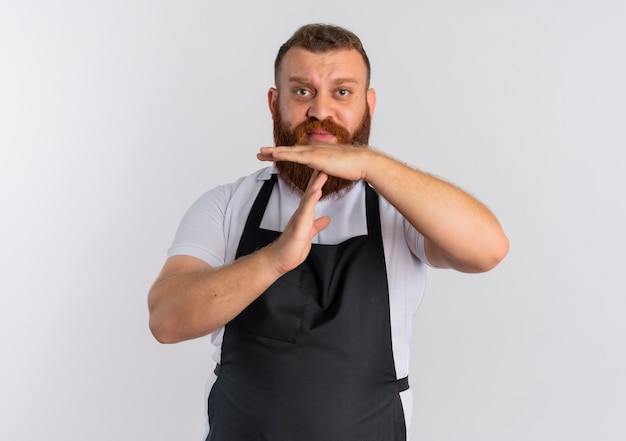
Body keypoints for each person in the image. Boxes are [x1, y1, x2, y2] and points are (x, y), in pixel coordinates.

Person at [148, 23, 509, 441]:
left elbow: (489, 249)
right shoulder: (227, 204)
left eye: (342, 92)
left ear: (368, 105)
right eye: (303, 91)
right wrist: (275, 258)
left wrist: (371, 165)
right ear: (274, 102)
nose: (321, 111)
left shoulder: (399, 210)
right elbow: (165, 320)